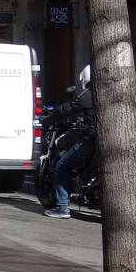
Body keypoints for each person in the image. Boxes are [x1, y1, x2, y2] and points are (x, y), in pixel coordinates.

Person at [44, 65, 95, 219]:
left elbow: (66, 109)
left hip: (90, 140)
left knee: (61, 166)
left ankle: (62, 208)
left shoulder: (89, 95)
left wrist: (47, 119)